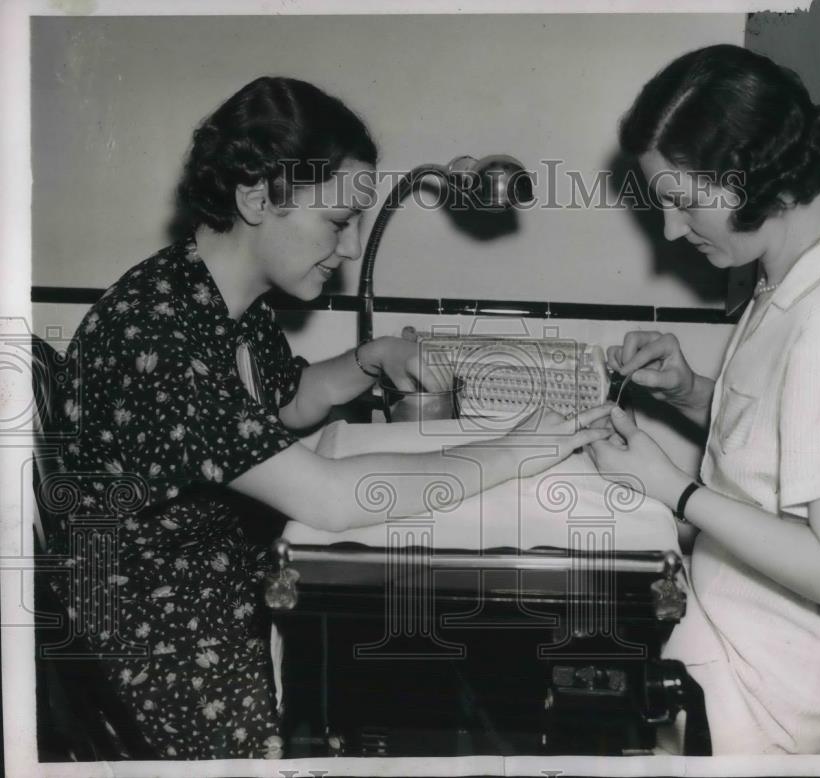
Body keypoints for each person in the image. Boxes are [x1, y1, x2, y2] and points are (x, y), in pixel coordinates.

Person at [48, 76, 613, 760]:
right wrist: (512, 450)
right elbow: (333, 498)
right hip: (162, 651)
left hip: (219, 591)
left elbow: (287, 399)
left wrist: (370, 359)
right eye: (338, 223)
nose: (348, 251)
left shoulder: (213, 295)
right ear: (258, 196)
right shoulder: (159, 337)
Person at [588, 45, 820, 754]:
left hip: (774, 689)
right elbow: (795, 442)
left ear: (749, 178)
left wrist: (674, 490)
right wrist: (691, 393)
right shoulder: (801, 274)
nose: (672, 231)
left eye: (684, 203)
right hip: (743, 623)